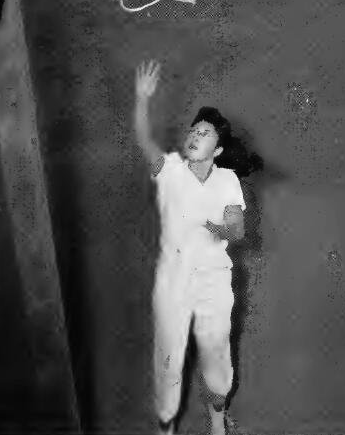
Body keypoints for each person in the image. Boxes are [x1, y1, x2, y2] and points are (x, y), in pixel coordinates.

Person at [134, 60, 246, 435]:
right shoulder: (169, 169)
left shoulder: (228, 179)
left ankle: (217, 418)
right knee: (167, 361)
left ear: (218, 150)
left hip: (213, 283)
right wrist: (141, 99)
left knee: (217, 358)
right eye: (194, 130)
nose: (196, 136)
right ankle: (166, 426)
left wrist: (223, 228)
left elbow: (238, 228)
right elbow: (144, 141)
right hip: (172, 283)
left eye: (206, 133)